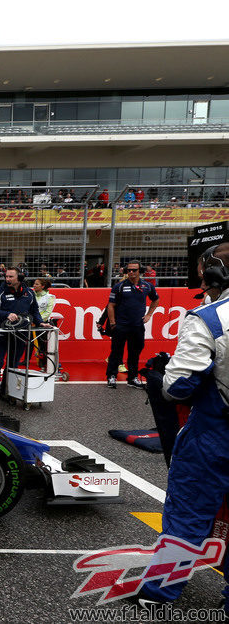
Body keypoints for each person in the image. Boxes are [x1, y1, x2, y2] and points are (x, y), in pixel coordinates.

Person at [137, 244, 229, 610]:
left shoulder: (210, 317)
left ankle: (159, 594)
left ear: (215, 276)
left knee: (188, 514)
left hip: (215, 432)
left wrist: (164, 374)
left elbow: (177, 387)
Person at [0, 267, 50, 405]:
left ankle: (7, 393)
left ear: (20, 278)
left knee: (13, 365)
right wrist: (6, 315)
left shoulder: (29, 293)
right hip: (1, 333)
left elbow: (34, 311)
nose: (7, 279)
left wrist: (41, 322)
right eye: (6, 276)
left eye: (11, 277)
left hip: (21, 334)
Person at [106, 260, 159, 389]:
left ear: (139, 271)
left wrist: (149, 315)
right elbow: (111, 306)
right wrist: (113, 323)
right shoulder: (119, 286)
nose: (131, 272)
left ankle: (132, 378)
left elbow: (156, 299)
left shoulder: (147, 286)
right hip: (121, 325)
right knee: (116, 352)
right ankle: (111, 376)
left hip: (137, 326)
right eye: (128, 270)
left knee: (134, 353)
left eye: (134, 270)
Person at [32, 278, 57, 370]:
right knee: (29, 344)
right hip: (30, 323)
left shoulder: (50, 297)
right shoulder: (31, 295)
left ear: (42, 286)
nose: (34, 285)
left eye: (37, 284)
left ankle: (45, 365)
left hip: (43, 324)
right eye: (34, 283)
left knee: (43, 345)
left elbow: (48, 312)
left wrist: (38, 321)